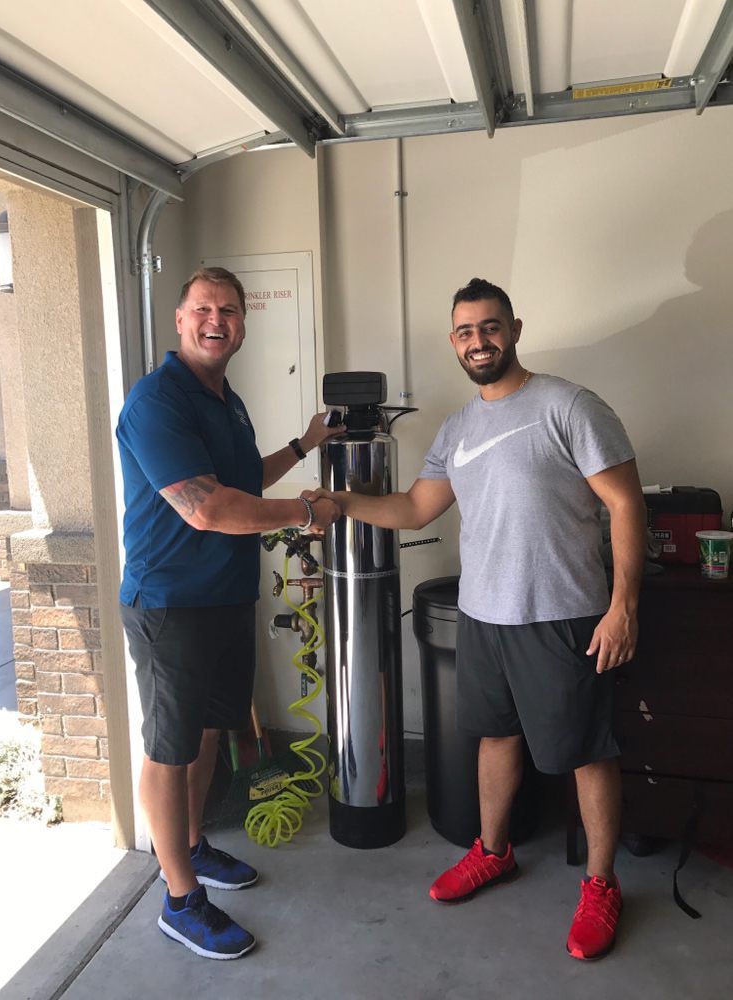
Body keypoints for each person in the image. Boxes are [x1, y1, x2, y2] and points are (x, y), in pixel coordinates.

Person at [305, 277, 646, 961]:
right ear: (454, 342)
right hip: (483, 617)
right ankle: (493, 852)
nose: (477, 341)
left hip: (562, 614)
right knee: (494, 738)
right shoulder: (459, 429)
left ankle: (602, 884)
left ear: (514, 329)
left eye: (489, 327)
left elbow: (626, 505)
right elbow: (414, 508)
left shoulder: (568, 405)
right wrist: (341, 504)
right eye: (464, 332)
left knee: (583, 752)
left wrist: (623, 607)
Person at [116, 266, 341, 960]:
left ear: (244, 324)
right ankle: (180, 900)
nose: (218, 320)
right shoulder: (158, 401)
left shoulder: (227, 400)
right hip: (170, 604)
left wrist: (304, 447)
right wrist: (305, 511)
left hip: (225, 599)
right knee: (169, 746)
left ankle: (191, 845)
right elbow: (207, 507)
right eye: (205, 309)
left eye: (231, 311)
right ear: (180, 320)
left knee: (211, 732)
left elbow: (240, 481)